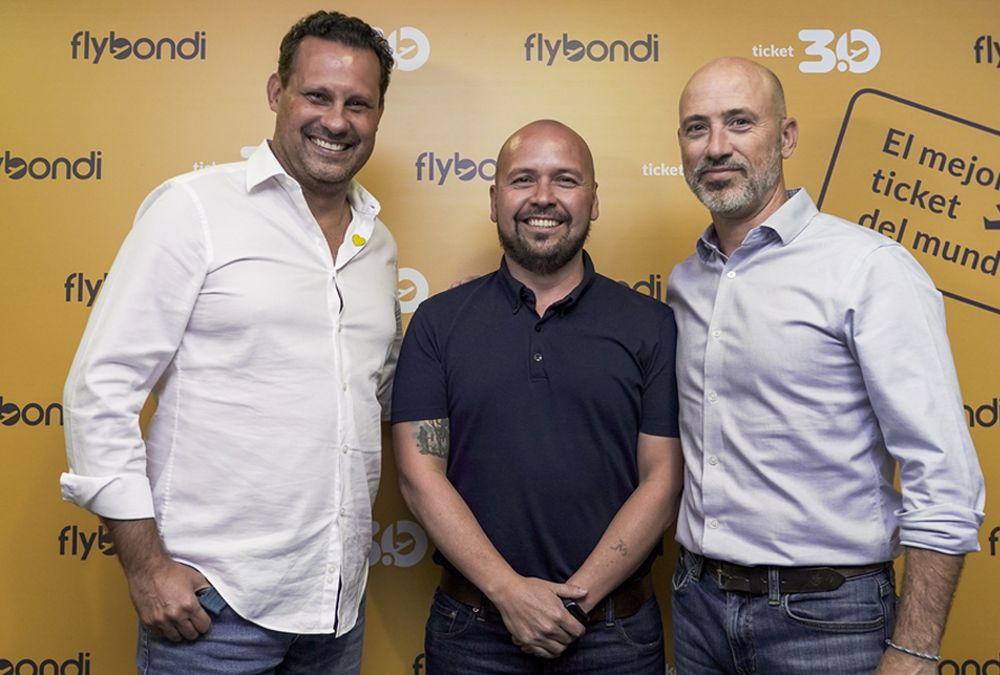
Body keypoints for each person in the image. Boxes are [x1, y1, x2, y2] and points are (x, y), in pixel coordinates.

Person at [60, 11, 399, 674]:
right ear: (277, 93)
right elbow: (99, 390)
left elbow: (366, 397)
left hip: (334, 608)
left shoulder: (378, 245)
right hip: (211, 611)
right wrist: (146, 566)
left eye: (358, 104)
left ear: (378, 114)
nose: (336, 120)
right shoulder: (193, 209)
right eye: (317, 95)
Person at [666, 57, 986, 675]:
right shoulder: (686, 281)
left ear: (785, 137)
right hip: (697, 606)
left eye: (740, 122)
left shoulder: (868, 268)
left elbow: (942, 472)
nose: (717, 146)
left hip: (828, 620)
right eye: (697, 128)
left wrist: (915, 649)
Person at [391, 119, 683, 674]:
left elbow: (663, 479)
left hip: (614, 636)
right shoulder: (437, 323)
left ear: (593, 201)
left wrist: (573, 600)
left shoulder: (652, 325)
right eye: (523, 179)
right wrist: (510, 593)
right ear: (494, 199)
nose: (543, 197)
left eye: (565, 180)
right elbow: (418, 474)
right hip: (473, 634)